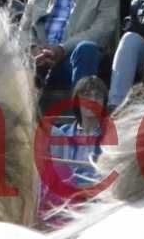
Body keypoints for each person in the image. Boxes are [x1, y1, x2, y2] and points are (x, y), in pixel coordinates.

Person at [37, 76, 108, 227]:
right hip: (63, 200)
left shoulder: (109, 137)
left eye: (97, 96)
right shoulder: (61, 133)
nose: (92, 100)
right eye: (86, 95)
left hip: (93, 201)